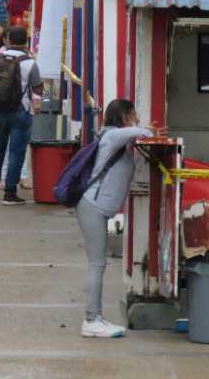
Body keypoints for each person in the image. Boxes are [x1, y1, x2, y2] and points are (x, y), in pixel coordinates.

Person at [77, 100, 165, 338]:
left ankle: (96, 317)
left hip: (96, 209)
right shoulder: (111, 136)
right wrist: (147, 130)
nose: (136, 119)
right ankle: (90, 320)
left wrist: (145, 132)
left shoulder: (118, 140)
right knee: (97, 264)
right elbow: (137, 131)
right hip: (92, 207)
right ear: (124, 117)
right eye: (134, 115)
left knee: (99, 264)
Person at [0, 26, 43, 205]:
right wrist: (42, 99)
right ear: (26, 42)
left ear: (8, 40)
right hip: (21, 112)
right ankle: (10, 193)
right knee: (17, 153)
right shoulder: (30, 63)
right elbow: (38, 89)